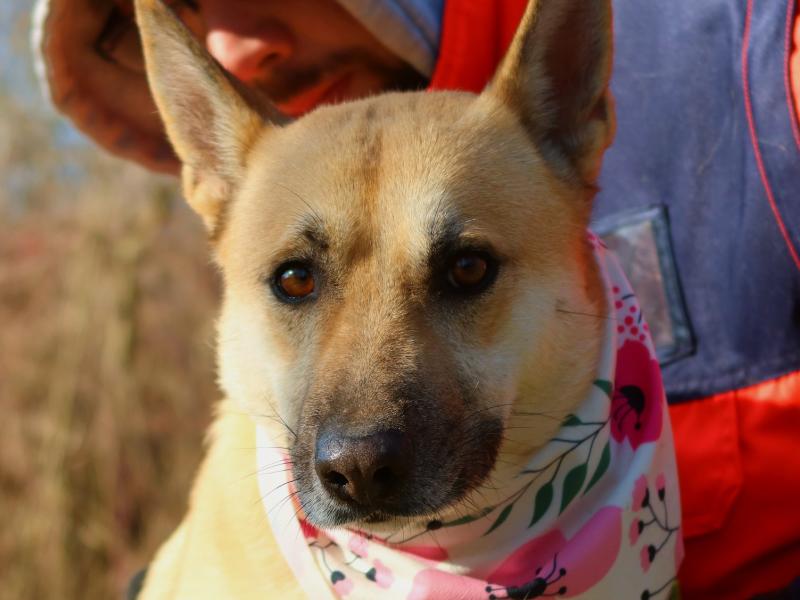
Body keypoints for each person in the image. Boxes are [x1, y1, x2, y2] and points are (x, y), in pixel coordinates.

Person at [33, 0, 800, 597]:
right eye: (297, 282)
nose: (357, 450)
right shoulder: (236, 555)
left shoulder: (758, 61)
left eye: (464, 273)